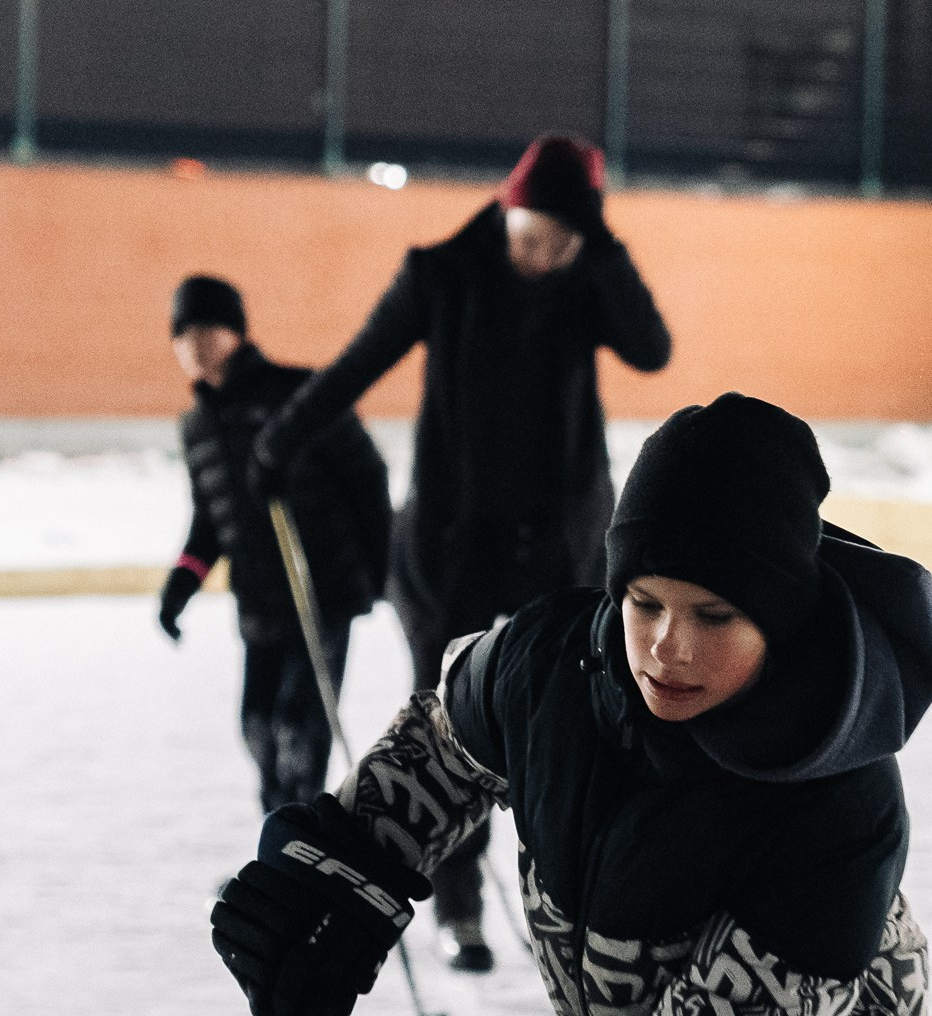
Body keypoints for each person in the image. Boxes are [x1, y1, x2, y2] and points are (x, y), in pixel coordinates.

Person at [211, 394, 932, 1016]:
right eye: (645, 601)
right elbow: (437, 751)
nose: (668, 646)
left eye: (715, 614)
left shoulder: (844, 800)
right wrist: (341, 866)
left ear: (780, 616)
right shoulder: (542, 665)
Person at [249, 134, 673, 971]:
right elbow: (358, 363)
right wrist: (278, 443)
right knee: (452, 725)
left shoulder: (587, 281)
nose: (544, 256)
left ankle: (571, 905)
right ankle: (459, 906)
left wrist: (602, 250)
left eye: (563, 242)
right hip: (452, 548)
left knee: (564, 728)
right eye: (533, 236)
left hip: (557, 550)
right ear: (507, 212)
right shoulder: (439, 274)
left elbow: (651, 348)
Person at [160, 274, 391, 811]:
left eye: (208, 330)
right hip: (258, 599)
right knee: (257, 727)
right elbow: (211, 520)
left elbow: (368, 475)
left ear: (236, 332)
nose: (195, 345)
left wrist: (376, 569)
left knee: (298, 728)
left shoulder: (299, 395)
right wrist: (180, 587)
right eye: (183, 335)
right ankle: (279, 838)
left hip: (319, 591)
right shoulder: (197, 425)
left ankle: (302, 841)